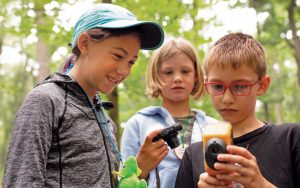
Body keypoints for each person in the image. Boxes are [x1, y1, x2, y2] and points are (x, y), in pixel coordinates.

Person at [3, 3, 164, 188]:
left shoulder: (106, 121)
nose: (124, 70)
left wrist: (140, 167)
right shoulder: (46, 101)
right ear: (85, 43)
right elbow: (21, 182)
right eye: (118, 56)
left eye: (131, 62)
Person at [175, 32, 300, 188]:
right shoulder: (193, 155)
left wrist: (262, 185)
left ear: (262, 85)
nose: (227, 98)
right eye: (218, 86)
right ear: (207, 84)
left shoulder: (290, 139)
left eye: (240, 86)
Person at [120, 38, 217, 188]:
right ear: (156, 76)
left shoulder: (213, 126)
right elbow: (122, 182)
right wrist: (141, 167)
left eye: (185, 71)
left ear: (196, 75)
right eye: (168, 72)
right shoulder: (137, 124)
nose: (177, 78)